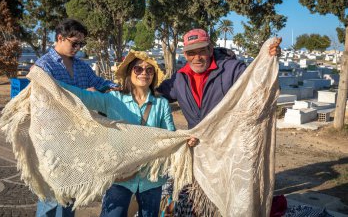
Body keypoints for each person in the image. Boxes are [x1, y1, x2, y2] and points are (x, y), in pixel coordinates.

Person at [56, 50, 197, 217]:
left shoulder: (161, 104)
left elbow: (170, 135)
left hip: (151, 178)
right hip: (120, 176)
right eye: (138, 69)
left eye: (149, 70)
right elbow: (83, 97)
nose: (144, 73)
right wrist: (51, 84)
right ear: (130, 72)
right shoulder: (114, 99)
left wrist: (184, 140)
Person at [156, 28, 281, 215]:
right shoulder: (179, 78)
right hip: (197, 153)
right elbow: (156, 96)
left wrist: (267, 60)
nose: (197, 57)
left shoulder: (231, 69)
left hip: (227, 152)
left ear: (210, 49)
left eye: (202, 51)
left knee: (226, 201)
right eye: (191, 53)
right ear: (185, 54)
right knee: (195, 203)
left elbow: (255, 82)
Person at [34, 18, 117, 217]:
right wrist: (82, 94)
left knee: (70, 195)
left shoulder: (81, 66)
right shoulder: (43, 66)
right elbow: (46, 101)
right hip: (52, 141)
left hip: (77, 141)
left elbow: (98, 82)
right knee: (51, 198)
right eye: (75, 43)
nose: (78, 48)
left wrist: (116, 86)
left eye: (81, 44)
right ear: (60, 38)